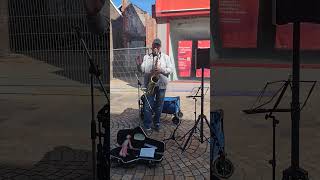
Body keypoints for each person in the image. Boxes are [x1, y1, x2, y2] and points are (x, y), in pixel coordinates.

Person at [141, 38, 173, 132]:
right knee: (148, 105)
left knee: (159, 105)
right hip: (151, 84)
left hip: (161, 84)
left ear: (160, 47)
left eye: (158, 45)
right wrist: (139, 66)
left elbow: (170, 69)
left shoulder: (166, 57)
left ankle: (157, 122)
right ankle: (147, 124)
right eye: (154, 45)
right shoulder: (146, 57)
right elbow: (143, 69)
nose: (156, 47)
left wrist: (161, 70)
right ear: (152, 46)